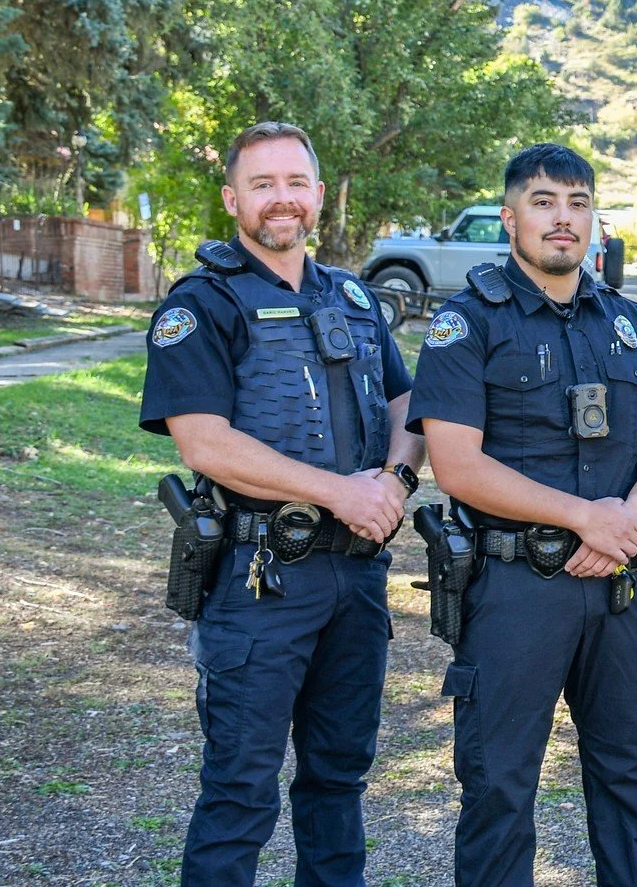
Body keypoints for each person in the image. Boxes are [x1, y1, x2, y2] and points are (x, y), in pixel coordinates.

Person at [140, 121, 423, 887]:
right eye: (262, 184)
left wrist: (394, 483)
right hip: (259, 575)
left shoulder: (355, 296)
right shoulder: (202, 303)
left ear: (319, 196)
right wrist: (342, 491)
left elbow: (407, 401)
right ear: (233, 198)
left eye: (296, 182)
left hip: (355, 578)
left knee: (338, 782)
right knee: (239, 788)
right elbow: (203, 443)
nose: (281, 199)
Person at [408, 143, 637, 887]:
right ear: (510, 218)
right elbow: (456, 463)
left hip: (621, 586)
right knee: (500, 784)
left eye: (576, 203)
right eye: (543, 201)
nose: (561, 218)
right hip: (514, 589)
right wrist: (586, 518)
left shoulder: (629, 321)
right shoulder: (466, 322)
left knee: (635, 771)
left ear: (593, 219)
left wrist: (630, 514)